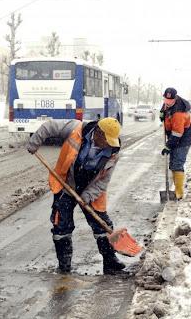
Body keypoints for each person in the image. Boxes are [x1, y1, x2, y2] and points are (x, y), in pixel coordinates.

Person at [26, 117, 126, 274]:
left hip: (91, 189)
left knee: (102, 224)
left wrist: (86, 197)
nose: (108, 145)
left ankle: (110, 262)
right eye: (107, 140)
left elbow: (102, 182)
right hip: (66, 183)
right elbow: (50, 126)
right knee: (61, 225)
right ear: (98, 132)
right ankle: (64, 265)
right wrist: (35, 142)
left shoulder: (113, 153)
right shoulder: (76, 128)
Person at [159, 87, 191, 200]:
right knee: (173, 165)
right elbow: (164, 111)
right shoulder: (168, 105)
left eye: (170, 101)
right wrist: (162, 114)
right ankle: (175, 191)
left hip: (182, 141)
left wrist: (168, 146)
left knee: (177, 164)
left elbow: (177, 133)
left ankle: (179, 193)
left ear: (175, 98)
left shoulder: (179, 112)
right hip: (174, 138)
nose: (167, 103)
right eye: (165, 100)